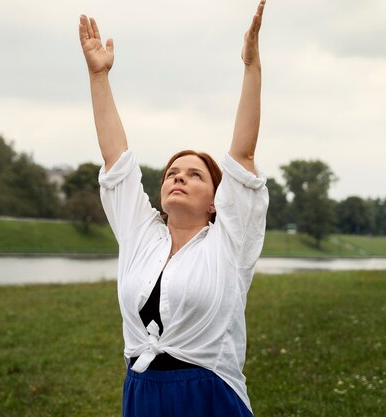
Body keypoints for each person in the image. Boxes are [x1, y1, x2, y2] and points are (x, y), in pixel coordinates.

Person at [79, 1, 268, 416]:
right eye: (172, 173)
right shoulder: (139, 235)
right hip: (143, 394)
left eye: (195, 175)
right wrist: (98, 76)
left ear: (218, 202)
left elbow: (243, 154)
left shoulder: (229, 245)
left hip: (208, 396)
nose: (178, 177)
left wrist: (251, 68)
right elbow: (116, 160)